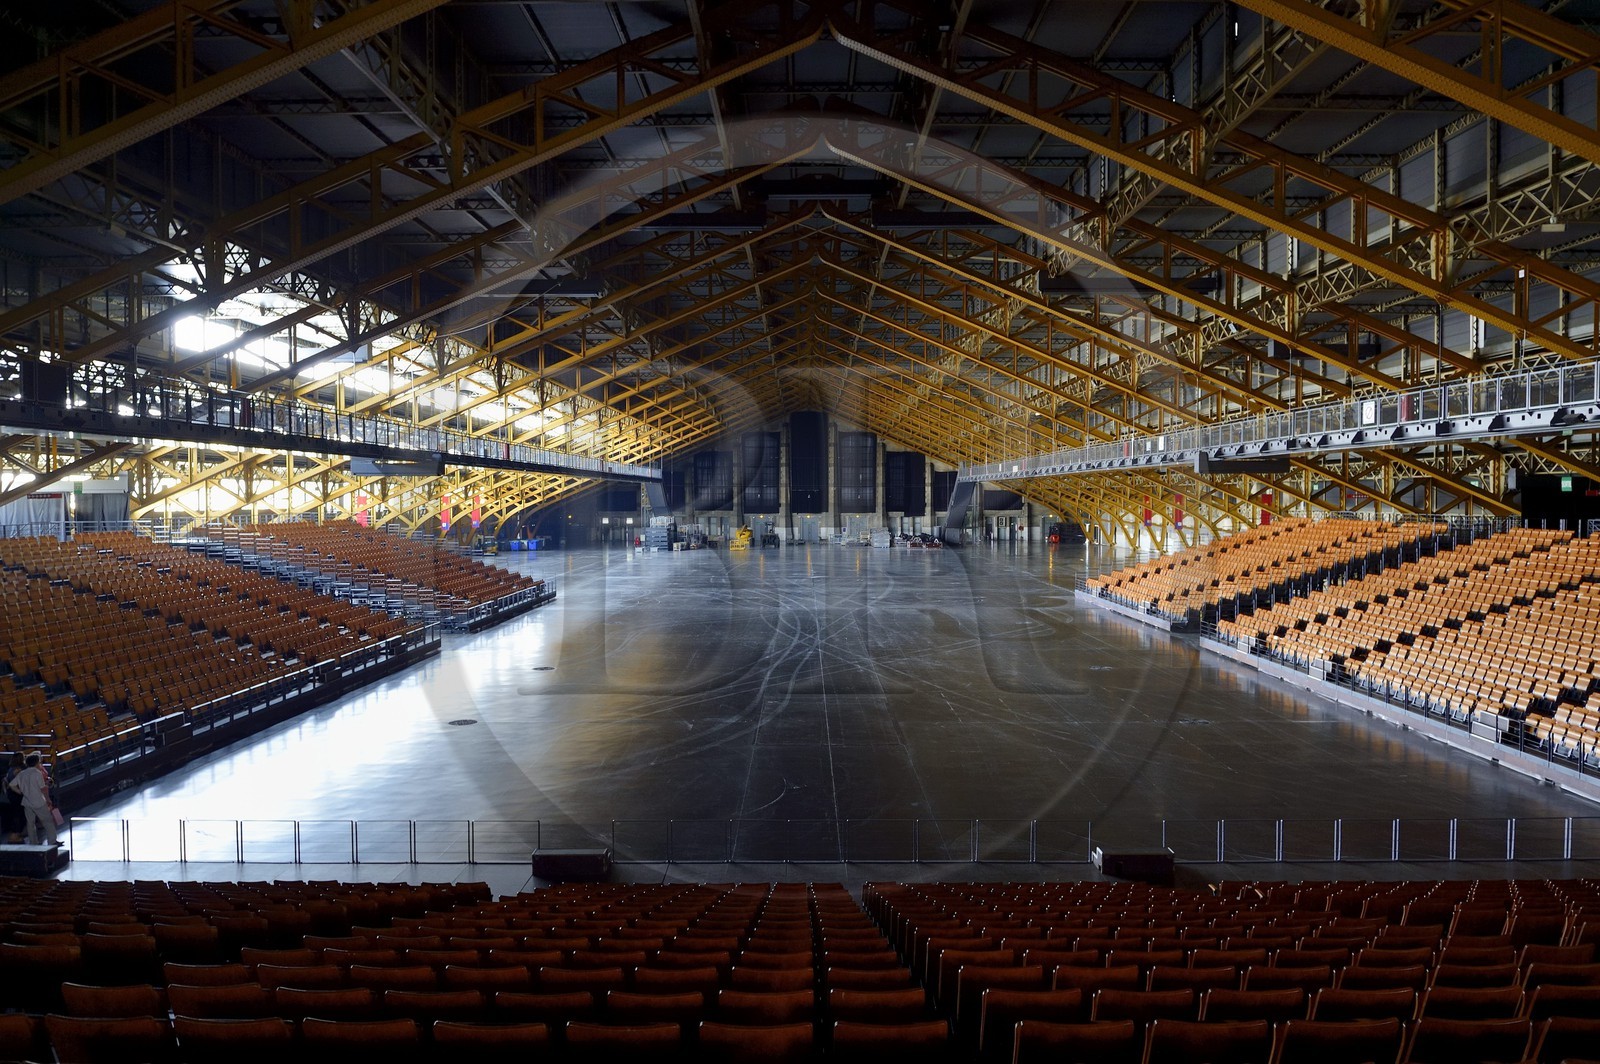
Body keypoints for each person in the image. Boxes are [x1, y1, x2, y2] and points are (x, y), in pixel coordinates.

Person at [7, 753, 56, 846]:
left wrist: (20, 792)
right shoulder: (37, 773)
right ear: (37, 763)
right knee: (47, 821)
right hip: (38, 801)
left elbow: (11, 785)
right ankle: (52, 841)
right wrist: (48, 799)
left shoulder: (22, 773)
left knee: (30, 823)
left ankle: (33, 842)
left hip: (26, 801)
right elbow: (43, 788)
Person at [2, 753, 22, 843]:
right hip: (16, 796)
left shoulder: (10, 769)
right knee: (18, 816)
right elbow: (15, 784)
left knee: (17, 815)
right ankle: (14, 836)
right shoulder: (17, 771)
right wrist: (21, 792)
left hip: (11, 796)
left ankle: (15, 835)